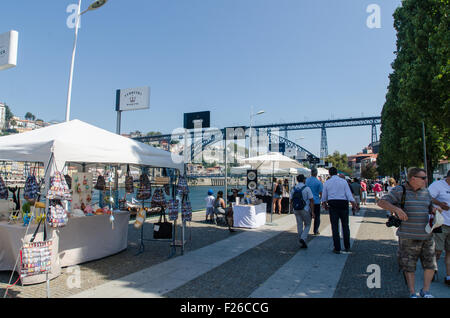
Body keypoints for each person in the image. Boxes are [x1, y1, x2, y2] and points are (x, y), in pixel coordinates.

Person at [377, 167, 439, 298]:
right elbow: (381, 202)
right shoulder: (400, 190)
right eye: (423, 178)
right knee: (408, 266)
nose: (426, 180)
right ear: (413, 179)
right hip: (408, 236)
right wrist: (396, 209)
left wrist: (433, 210)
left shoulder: (426, 192)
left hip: (427, 235)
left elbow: (428, 206)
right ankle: (412, 292)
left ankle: (425, 291)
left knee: (431, 264)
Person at [321, 167, 356, 254]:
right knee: (345, 226)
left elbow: (324, 196)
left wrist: (324, 204)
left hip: (333, 204)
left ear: (329, 173)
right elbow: (348, 194)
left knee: (335, 227)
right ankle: (347, 246)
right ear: (337, 173)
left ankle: (337, 248)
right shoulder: (343, 181)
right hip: (343, 204)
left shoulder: (327, 183)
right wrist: (353, 204)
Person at [428, 170, 450, 286]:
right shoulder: (438, 185)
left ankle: (448, 276)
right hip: (440, 222)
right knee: (438, 250)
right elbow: (427, 197)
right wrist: (440, 204)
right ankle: (432, 269)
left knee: (449, 251)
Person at [290, 174, 314, 248]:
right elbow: (311, 200)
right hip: (305, 209)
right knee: (308, 224)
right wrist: (312, 211)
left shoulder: (293, 188)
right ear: (304, 180)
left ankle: (301, 239)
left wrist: (292, 208)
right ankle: (303, 238)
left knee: (299, 224)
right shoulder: (307, 188)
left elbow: (291, 200)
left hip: (296, 209)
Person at [306, 168, 323, 235]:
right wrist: (321, 200)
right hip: (316, 202)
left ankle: (306, 229)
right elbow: (321, 193)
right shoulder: (318, 182)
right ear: (316, 173)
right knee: (317, 217)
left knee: (308, 217)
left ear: (311, 173)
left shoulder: (306, 181)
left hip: (307, 202)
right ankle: (315, 230)